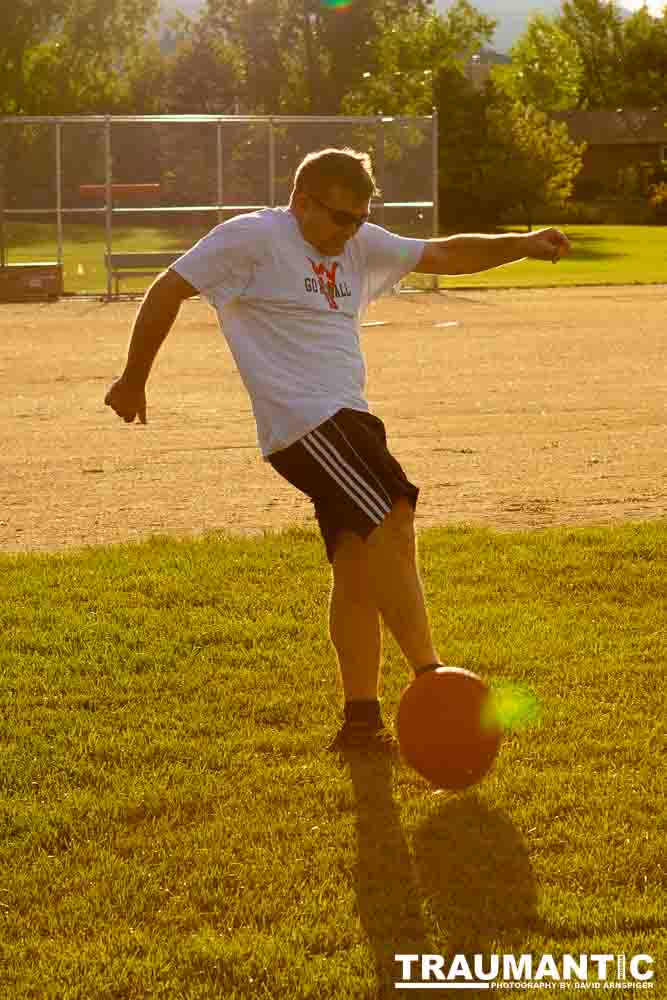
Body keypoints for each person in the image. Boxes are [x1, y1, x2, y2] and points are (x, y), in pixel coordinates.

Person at [105, 147, 570, 752]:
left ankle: (360, 721)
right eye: (340, 217)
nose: (350, 231)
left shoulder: (357, 242)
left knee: (356, 563)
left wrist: (523, 242)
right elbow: (168, 290)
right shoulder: (253, 238)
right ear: (301, 202)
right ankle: (433, 681)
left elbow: (447, 251)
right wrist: (133, 377)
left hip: (350, 420)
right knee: (393, 517)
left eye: (359, 218)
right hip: (304, 424)